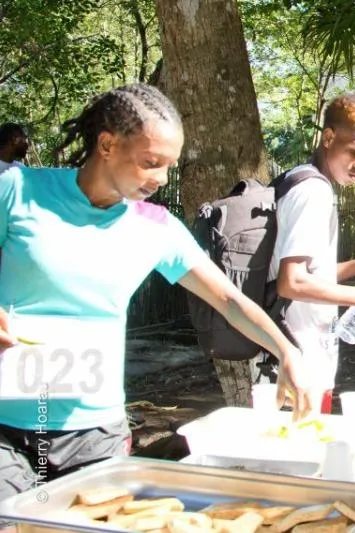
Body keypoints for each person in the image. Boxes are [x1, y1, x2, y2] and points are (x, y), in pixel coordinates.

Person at [0, 84, 313, 503]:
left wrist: (286, 351)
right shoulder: (17, 190)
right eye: (151, 163)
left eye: (169, 166)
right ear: (107, 144)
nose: (161, 179)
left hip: (95, 434)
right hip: (6, 427)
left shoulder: (155, 226)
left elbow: (228, 299)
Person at [268, 93, 355, 414]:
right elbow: (291, 284)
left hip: (304, 356)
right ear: (328, 138)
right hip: (297, 360)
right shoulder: (313, 192)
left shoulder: (299, 180)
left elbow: (313, 275)